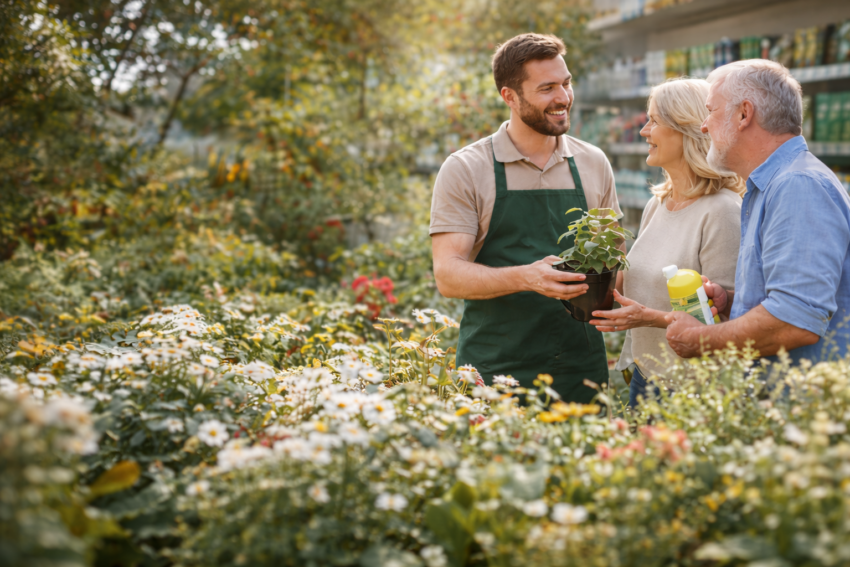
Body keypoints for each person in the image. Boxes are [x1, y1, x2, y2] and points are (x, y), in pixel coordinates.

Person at [429, 33, 622, 403]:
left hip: (579, 371)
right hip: (494, 369)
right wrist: (527, 278)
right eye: (547, 88)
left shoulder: (593, 163)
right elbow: (448, 275)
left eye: (566, 83)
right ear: (510, 97)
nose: (563, 98)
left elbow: (615, 262)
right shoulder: (467, 168)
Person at [665, 59, 850, 364]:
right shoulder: (769, 187)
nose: (703, 125)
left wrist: (700, 340)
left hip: (802, 406)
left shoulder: (797, 185)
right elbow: (789, 301)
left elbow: (794, 321)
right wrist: (734, 303)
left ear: (743, 114)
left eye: (711, 111)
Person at [588, 78, 744, 407]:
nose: (644, 131)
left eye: (654, 120)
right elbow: (636, 282)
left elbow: (727, 321)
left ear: (686, 129)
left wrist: (648, 317)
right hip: (646, 377)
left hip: (692, 392)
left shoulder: (722, 212)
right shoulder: (657, 204)